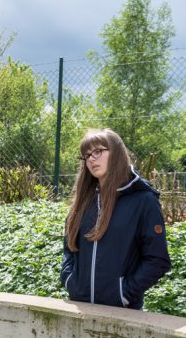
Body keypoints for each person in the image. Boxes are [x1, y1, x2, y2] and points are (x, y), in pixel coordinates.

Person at [59, 129, 170, 309]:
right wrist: (70, 280)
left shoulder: (143, 201)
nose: (91, 159)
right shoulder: (84, 201)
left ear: (116, 153)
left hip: (122, 313)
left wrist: (123, 294)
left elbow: (157, 260)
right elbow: (69, 248)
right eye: (86, 155)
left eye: (98, 151)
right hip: (80, 307)